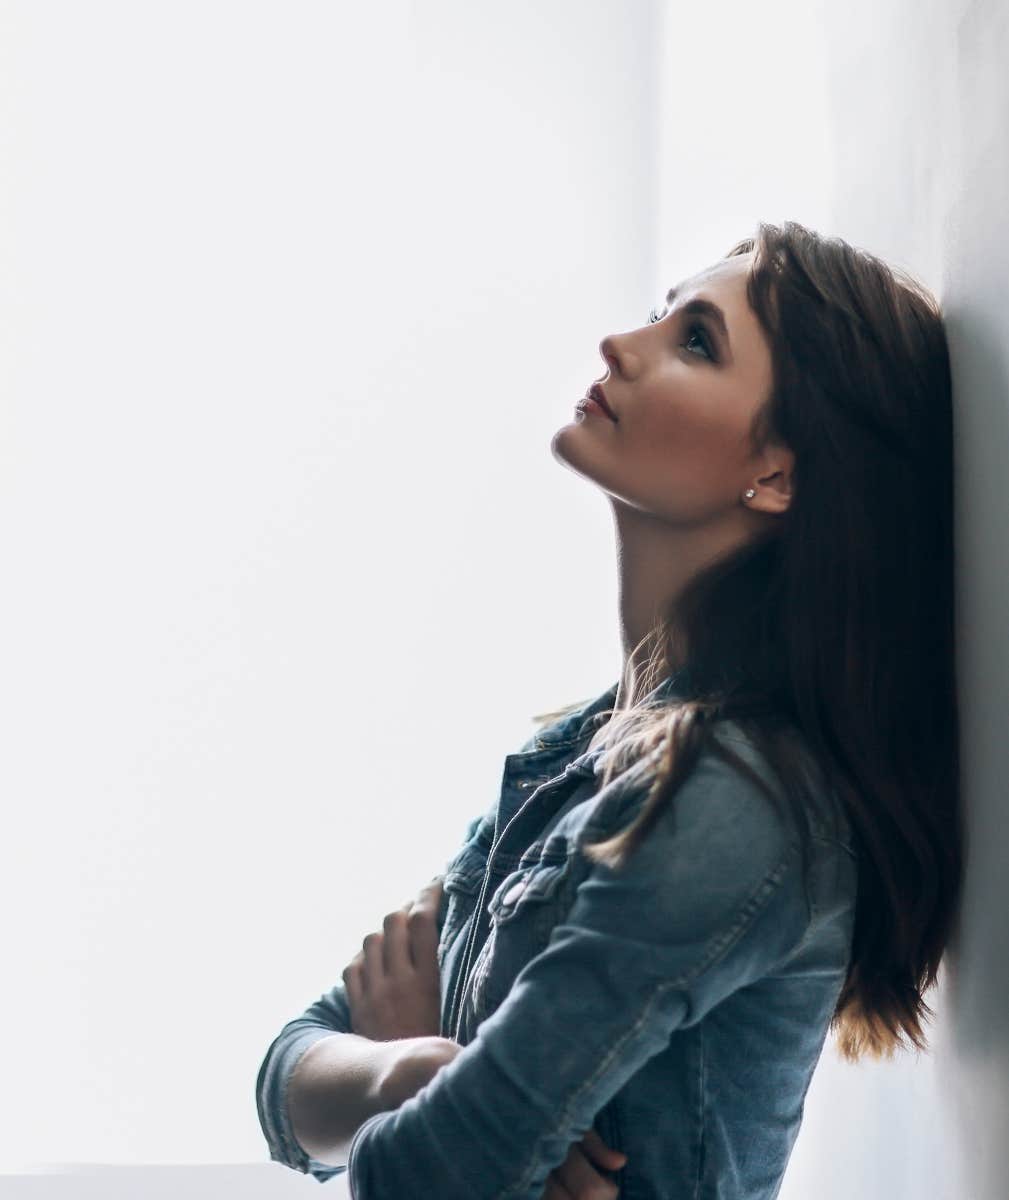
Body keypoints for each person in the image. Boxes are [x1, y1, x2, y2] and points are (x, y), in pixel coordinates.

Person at [255, 220, 963, 1198]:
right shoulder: (570, 753)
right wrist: (413, 1070)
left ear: (777, 474)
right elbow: (282, 1074)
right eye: (657, 314)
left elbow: (421, 1176)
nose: (622, 346)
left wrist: (409, 1094)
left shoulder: (736, 795)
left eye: (696, 340)